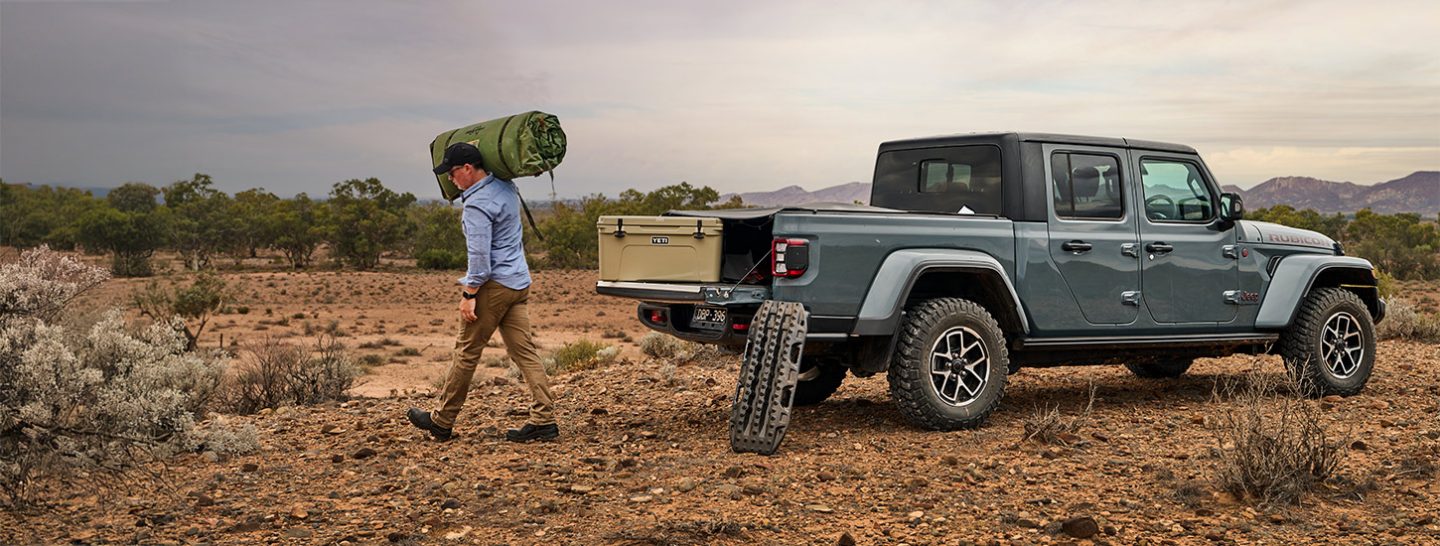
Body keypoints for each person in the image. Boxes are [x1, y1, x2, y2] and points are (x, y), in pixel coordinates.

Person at [406, 142, 558, 443]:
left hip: (495, 286)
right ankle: (544, 420)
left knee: (466, 352)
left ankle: (441, 421)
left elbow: (479, 258)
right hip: (518, 282)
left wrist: (469, 293)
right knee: (525, 352)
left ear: (467, 169)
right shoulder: (505, 186)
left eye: (452, 173)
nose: (450, 179)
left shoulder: (476, 205)